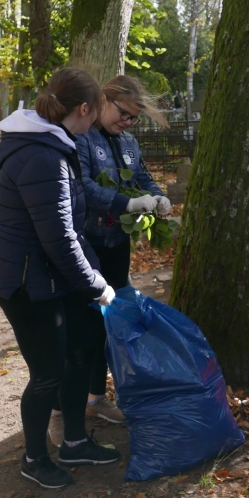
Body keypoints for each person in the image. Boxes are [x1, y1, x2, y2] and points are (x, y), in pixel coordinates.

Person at [0, 67, 120, 489]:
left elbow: (68, 229)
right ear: (83, 109)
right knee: (46, 374)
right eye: (94, 113)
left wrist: (91, 275)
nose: (94, 122)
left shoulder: (52, 145)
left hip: (51, 278)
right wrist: (96, 284)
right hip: (27, 284)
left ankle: (75, 441)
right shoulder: (42, 155)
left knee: (79, 351)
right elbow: (59, 238)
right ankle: (34, 458)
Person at [68, 75, 171, 433]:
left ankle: (97, 398)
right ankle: (76, 403)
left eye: (133, 118)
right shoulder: (82, 138)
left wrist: (158, 195)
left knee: (111, 325)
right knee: (88, 327)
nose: (126, 122)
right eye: (123, 113)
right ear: (103, 101)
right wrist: (126, 201)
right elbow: (84, 187)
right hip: (87, 245)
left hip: (116, 244)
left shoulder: (127, 141)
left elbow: (140, 175)